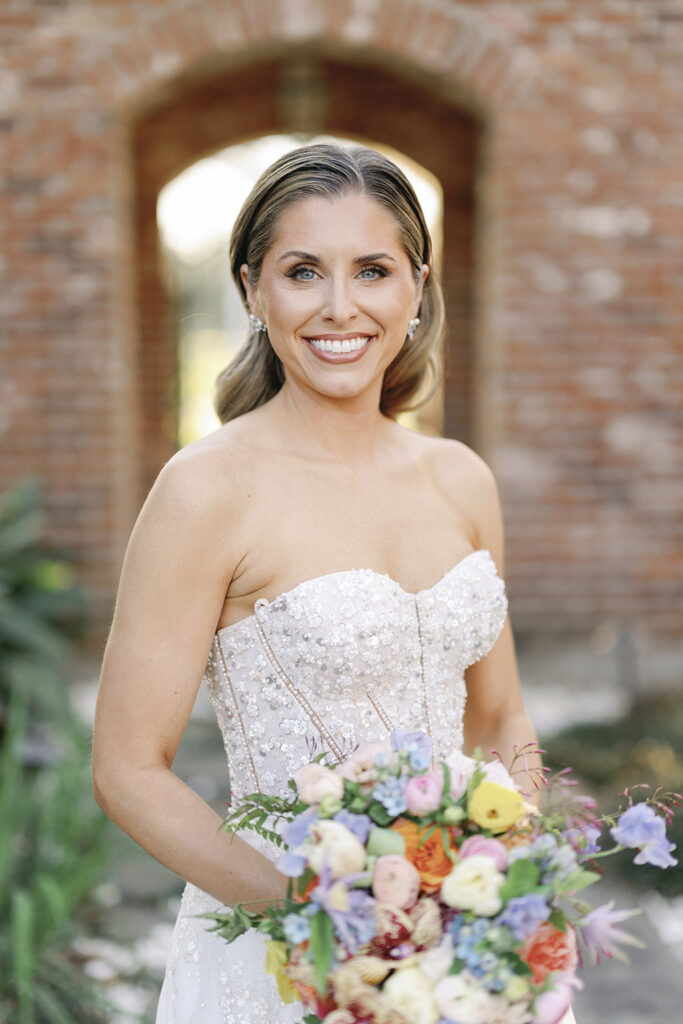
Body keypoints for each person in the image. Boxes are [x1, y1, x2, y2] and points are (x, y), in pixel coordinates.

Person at [92, 143, 575, 1023]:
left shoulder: (461, 477)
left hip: (462, 942)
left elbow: (500, 716)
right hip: (288, 948)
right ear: (251, 290)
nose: (339, 307)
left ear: (417, 288)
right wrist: (322, 919)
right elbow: (128, 770)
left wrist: (498, 878)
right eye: (303, 271)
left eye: (373, 270)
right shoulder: (206, 491)